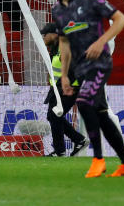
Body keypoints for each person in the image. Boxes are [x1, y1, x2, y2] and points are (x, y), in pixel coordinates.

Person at [45, 0, 124, 178]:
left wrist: (101, 41)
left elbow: (120, 19)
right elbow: (65, 44)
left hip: (99, 63)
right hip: (78, 70)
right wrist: (65, 75)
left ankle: (98, 160)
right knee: (101, 115)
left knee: (84, 102)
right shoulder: (58, 10)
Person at [41, 22, 88, 157]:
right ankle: (72, 143)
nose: (43, 37)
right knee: (53, 116)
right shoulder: (54, 48)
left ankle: (66, 147)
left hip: (68, 88)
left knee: (54, 116)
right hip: (56, 88)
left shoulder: (64, 48)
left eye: (45, 34)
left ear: (55, 35)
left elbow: (75, 68)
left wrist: (71, 86)